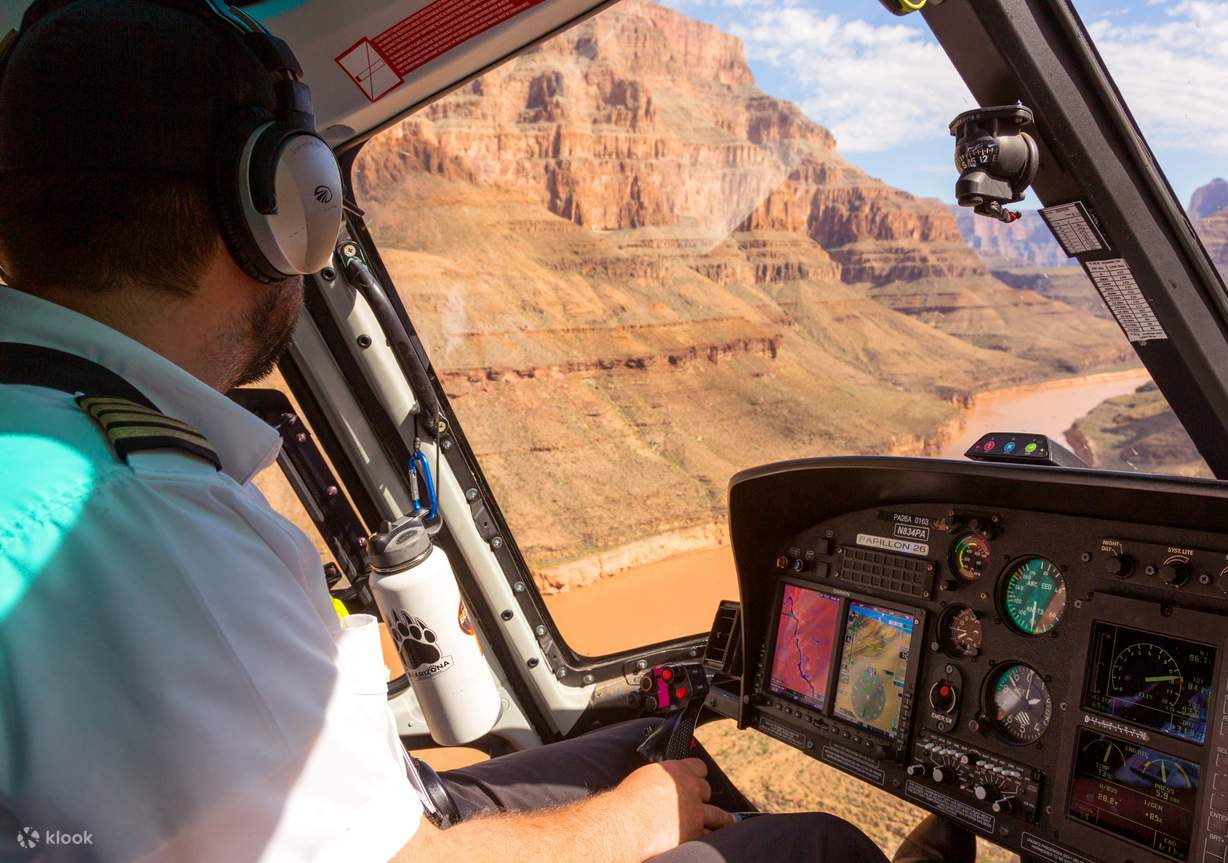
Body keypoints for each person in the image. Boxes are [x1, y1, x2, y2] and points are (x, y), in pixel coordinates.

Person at [0, 2, 973, 861]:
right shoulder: (143, 524)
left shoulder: (61, 435)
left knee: (651, 749)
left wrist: (638, 798)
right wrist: (633, 823)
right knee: (818, 843)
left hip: (365, 810)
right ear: (284, 203)